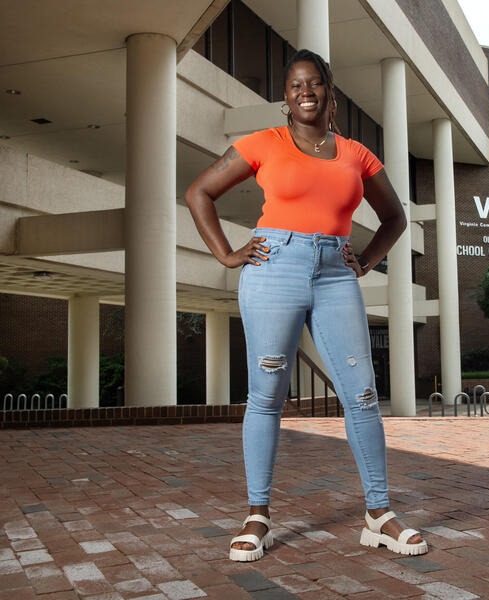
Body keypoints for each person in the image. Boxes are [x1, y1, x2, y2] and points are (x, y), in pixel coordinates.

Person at [185, 49, 428, 562]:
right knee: (267, 392)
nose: (305, 92)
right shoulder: (263, 144)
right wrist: (228, 254)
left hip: (336, 274)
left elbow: (394, 218)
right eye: (295, 86)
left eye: (313, 83)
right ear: (285, 98)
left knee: (361, 395)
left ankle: (379, 514)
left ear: (329, 92)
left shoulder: (357, 155)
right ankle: (257, 515)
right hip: (274, 269)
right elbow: (199, 192)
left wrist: (364, 261)